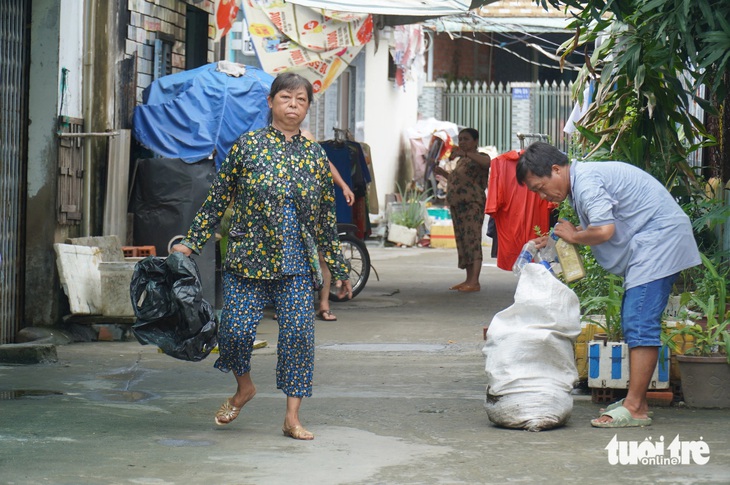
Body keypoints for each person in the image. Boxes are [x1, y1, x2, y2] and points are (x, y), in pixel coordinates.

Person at [172, 72, 352, 440]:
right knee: (235, 333)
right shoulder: (247, 146)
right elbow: (218, 198)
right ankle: (245, 388)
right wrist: (191, 241)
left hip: (297, 264)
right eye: (286, 98)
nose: (293, 106)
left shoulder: (315, 156)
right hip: (248, 260)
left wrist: (338, 266)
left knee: (299, 337)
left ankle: (292, 417)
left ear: (307, 109)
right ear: (270, 102)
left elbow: (325, 219)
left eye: (301, 100)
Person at [516, 141, 700, 428]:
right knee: (636, 320)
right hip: (652, 242)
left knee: (639, 322)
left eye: (540, 187)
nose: (543, 196)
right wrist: (568, 236)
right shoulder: (583, 181)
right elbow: (606, 224)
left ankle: (636, 406)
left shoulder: (587, 182)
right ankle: (634, 401)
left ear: (555, 169)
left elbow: (604, 230)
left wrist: (575, 237)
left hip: (659, 242)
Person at [302, 129, 355, 322]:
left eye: (300, 99)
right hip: (287, 210)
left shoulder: (306, 136)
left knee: (322, 256)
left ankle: (324, 304)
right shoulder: (262, 141)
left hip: (314, 205)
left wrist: (344, 186)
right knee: (294, 257)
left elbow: (325, 163)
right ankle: (291, 304)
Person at [433, 128, 491, 292]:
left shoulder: (480, 157)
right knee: (463, 241)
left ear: (475, 141)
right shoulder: (462, 161)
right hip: (458, 205)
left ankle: (475, 281)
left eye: (466, 139)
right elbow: (457, 179)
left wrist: (464, 154)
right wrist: (443, 173)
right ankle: (468, 279)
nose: (463, 142)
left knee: (472, 240)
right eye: (461, 139)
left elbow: (488, 164)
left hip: (472, 204)